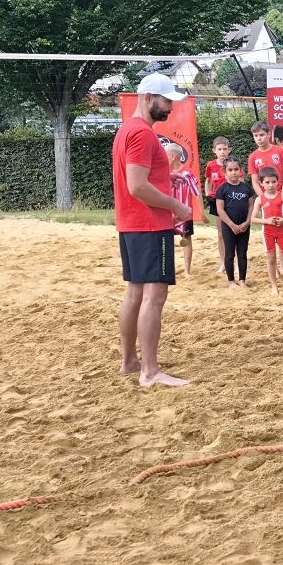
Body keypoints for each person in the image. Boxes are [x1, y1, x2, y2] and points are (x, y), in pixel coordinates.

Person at [112, 72, 192, 387]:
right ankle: (149, 370)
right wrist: (176, 206)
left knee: (134, 293)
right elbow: (137, 186)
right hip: (149, 224)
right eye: (166, 101)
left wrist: (164, 180)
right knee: (153, 296)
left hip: (132, 224)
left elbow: (140, 179)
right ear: (148, 99)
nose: (170, 107)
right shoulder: (142, 133)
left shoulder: (127, 130)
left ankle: (130, 362)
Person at [251, 166, 283, 294]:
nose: (271, 185)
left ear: (278, 182)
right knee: (271, 259)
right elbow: (253, 219)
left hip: (281, 231)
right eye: (267, 182)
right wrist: (266, 221)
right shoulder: (259, 199)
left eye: (273, 181)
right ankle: (274, 286)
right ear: (261, 184)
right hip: (268, 233)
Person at [164, 142, 205, 276]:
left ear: (173, 156)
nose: (164, 158)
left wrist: (202, 211)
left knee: (186, 240)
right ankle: (168, 270)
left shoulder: (187, 174)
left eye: (166, 155)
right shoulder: (164, 173)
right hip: (167, 214)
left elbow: (197, 192)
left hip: (184, 214)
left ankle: (187, 271)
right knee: (166, 241)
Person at [215, 158, 255, 289]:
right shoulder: (222, 189)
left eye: (236, 169)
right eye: (230, 170)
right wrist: (231, 225)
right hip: (228, 226)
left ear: (241, 171)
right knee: (230, 253)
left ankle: (242, 280)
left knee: (242, 253)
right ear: (224, 172)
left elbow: (250, 207)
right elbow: (220, 210)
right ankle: (231, 281)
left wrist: (247, 222)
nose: (233, 172)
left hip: (244, 226)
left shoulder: (246, 188)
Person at [204, 136, 231, 274]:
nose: (222, 152)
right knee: (221, 234)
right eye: (219, 149)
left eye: (225, 149)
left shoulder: (232, 164)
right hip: (216, 201)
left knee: (233, 232)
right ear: (214, 150)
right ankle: (223, 263)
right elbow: (208, 181)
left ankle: (234, 262)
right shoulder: (211, 165)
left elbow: (242, 180)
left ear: (229, 150)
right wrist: (208, 194)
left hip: (232, 201)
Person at [248, 121, 283, 195]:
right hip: (265, 198)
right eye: (256, 135)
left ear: (269, 134)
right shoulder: (252, 157)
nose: (259, 138)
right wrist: (263, 198)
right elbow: (255, 182)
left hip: (282, 195)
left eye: (261, 135)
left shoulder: (279, 150)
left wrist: (282, 195)